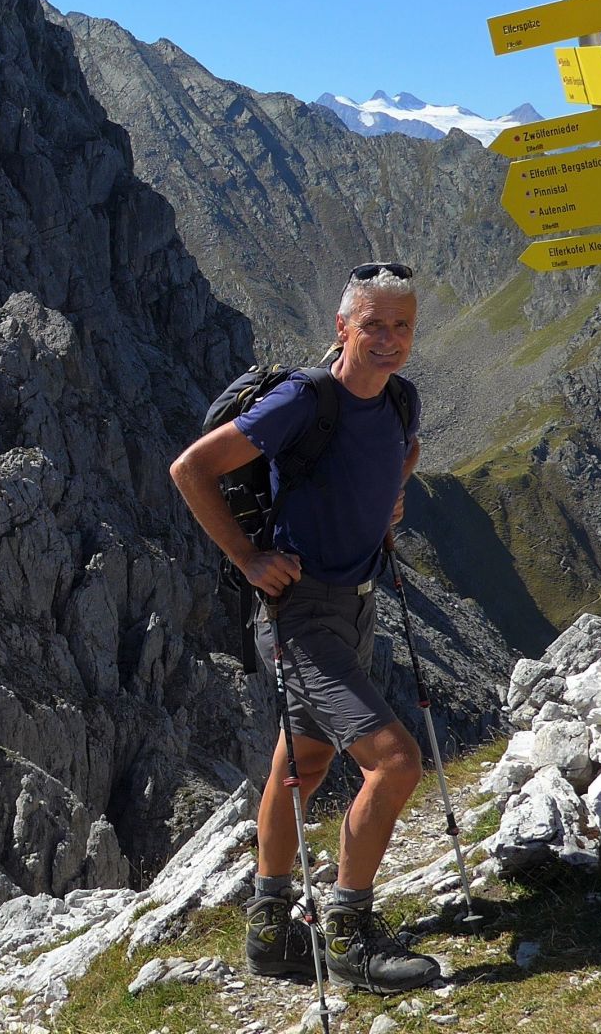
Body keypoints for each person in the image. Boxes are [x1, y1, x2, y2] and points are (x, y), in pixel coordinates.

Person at [168, 262, 442, 994]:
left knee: (305, 763)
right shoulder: (303, 400)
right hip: (299, 614)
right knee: (396, 763)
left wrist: (386, 502)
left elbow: (404, 451)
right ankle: (348, 934)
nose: (389, 339)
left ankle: (270, 932)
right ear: (342, 327)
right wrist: (248, 557)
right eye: (374, 324)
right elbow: (191, 469)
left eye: (403, 325)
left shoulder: (401, 399)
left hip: (356, 606)